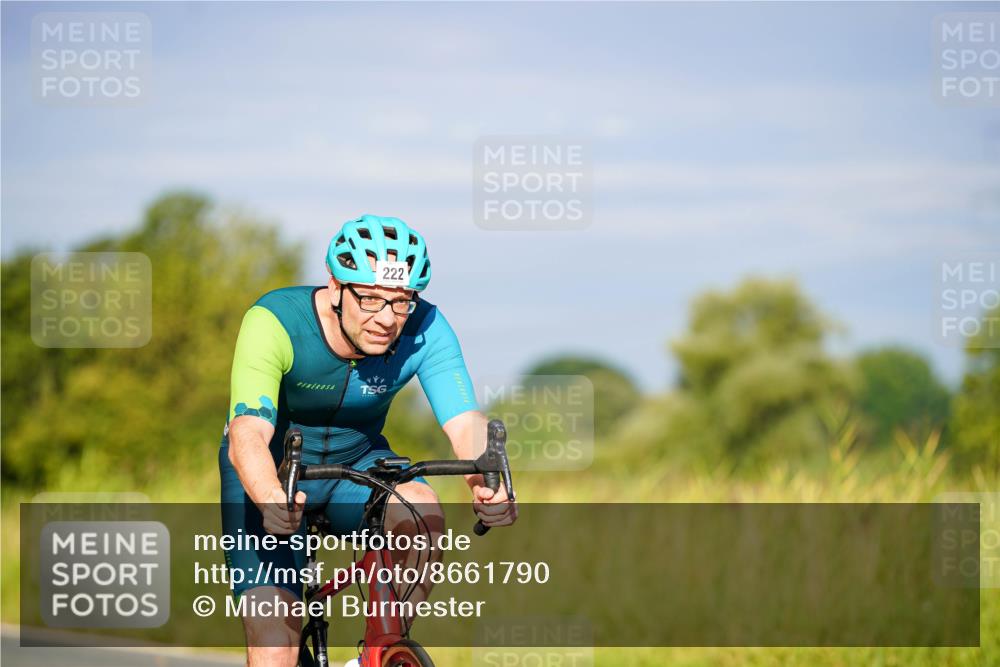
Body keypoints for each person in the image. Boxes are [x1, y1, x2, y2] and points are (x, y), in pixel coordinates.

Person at [219, 214, 516, 667]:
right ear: (336, 287)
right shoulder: (275, 319)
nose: (387, 318)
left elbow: (464, 423)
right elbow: (247, 431)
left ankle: (378, 652)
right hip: (272, 470)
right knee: (275, 647)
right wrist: (268, 496)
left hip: (357, 465)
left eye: (401, 301)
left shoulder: (426, 327)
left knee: (421, 509)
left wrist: (486, 483)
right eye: (371, 299)